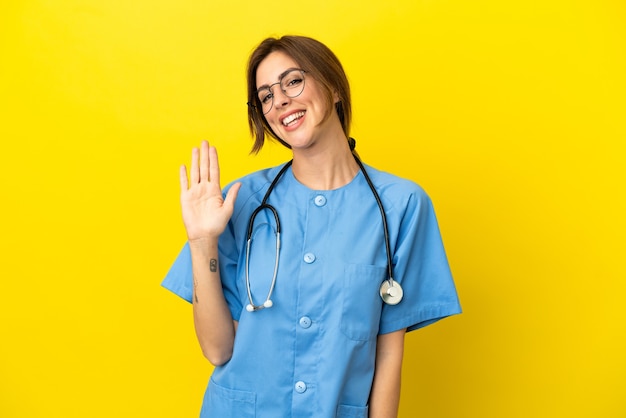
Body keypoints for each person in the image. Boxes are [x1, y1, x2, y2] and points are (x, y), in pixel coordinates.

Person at [162, 35, 461, 418]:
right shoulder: (242, 202)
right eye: (266, 96)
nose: (280, 100)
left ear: (334, 87)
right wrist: (202, 241)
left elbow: (389, 352)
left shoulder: (400, 206)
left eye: (292, 81)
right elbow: (218, 350)